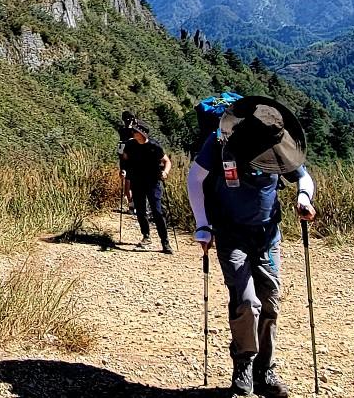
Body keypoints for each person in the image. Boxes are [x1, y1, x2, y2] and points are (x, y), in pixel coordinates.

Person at [185, 96, 317, 398]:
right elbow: (196, 178)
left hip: (268, 234)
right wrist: (203, 224)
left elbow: (303, 177)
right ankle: (243, 365)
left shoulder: (279, 144)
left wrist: (303, 199)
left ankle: (264, 371)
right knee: (246, 302)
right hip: (231, 234)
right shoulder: (220, 141)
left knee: (270, 301)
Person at [116, 118, 172, 252]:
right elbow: (124, 160)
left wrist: (165, 172)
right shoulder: (130, 145)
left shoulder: (154, 146)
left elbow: (167, 161)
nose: (133, 134)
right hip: (137, 181)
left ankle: (165, 242)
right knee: (141, 211)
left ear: (142, 133)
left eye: (135, 132)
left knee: (157, 212)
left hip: (153, 182)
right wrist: (123, 170)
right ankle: (146, 236)